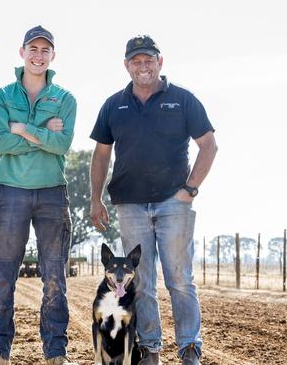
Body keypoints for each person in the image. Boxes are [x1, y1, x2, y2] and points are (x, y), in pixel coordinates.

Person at [89, 35, 218, 365]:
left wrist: (189, 190)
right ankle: (150, 350)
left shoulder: (183, 100)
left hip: (173, 204)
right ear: (126, 65)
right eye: (136, 60)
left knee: (180, 280)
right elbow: (101, 154)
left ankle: (190, 349)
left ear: (160, 62)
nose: (143, 65)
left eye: (149, 60)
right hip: (129, 206)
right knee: (142, 283)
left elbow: (209, 145)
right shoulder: (113, 105)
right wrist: (95, 198)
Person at [0, 25, 77, 365]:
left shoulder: (65, 99)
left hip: (53, 192)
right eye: (32, 48)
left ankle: (55, 352)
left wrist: (21, 129)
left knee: (55, 276)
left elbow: (62, 145)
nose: (38, 55)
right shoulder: (1, 96)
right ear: (21, 52)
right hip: (12, 193)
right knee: (4, 274)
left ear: (53, 56)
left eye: (45, 50)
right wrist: (41, 135)